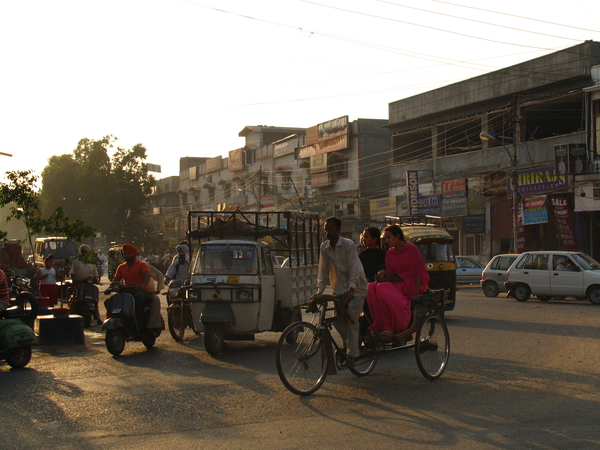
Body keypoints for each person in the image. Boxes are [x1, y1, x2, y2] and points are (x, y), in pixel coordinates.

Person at [316, 217, 368, 368]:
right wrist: (319, 292)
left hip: (357, 288)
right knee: (337, 321)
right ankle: (352, 344)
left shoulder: (348, 245)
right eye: (326, 229)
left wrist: (352, 289)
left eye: (331, 229)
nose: (328, 232)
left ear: (338, 230)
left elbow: (355, 268)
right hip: (339, 289)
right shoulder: (324, 247)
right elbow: (323, 271)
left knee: (351, 320)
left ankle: (352, 354)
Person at [366, 224, 430, 337]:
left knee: (382, 288)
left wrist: (416, 293)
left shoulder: (411, 249)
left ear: (397, 236)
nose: (387, 241)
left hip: (408, 284)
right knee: (370, 287)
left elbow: (419, 272)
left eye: (389, 237)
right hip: (394, 285)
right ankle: (379, 324)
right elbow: (390, 274)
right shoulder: (390, 253)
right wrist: (383, 273)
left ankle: (389, 326)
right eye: (385, 238)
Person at [110, 244, 162, 331]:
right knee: (111, 301)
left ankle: (138, 320)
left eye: (128, 254)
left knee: (139, 298)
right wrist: (110, 288)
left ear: (134, 254)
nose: (126, 256)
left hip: (140, 291)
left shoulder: (142, 265)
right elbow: (116, 279)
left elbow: (147, 276)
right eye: (125, 254)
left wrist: (142, 285)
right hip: (126, 291)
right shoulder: (121, 267)